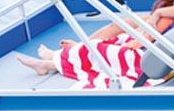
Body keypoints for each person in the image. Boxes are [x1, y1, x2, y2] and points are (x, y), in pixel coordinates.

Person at [17, 34, 153, 90]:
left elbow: (149, 36)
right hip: (146, 49)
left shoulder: (163, 14)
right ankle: (53, 60)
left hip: (145, 57)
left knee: (97, 49)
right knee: (99, 49)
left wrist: (157, 15)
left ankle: (50, 62)